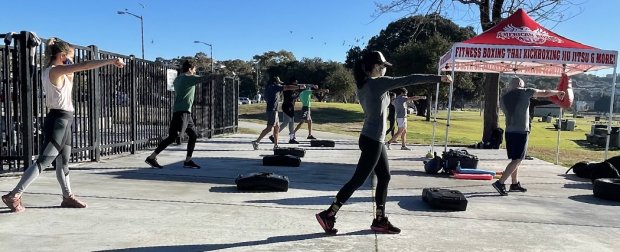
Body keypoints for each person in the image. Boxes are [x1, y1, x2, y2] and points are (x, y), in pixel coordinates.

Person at [315, 51, 451, 234]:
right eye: (383, 66)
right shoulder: (377, 83)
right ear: (375, 67)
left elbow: (382, 101)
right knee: (358, 180)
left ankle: (380, 220)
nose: (385, 69)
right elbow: (410, 79)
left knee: (384, 176)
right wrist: (439, 78)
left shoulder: (364, 85)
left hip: (371, 138)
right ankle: (329, 214)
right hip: (373, 140)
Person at [2, 37, 125, 213]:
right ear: (61, 56)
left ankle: (67, 197)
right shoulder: (55, 71)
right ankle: (14, 195)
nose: (72, 61)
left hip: (65, 119)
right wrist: (111, 60)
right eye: (70, 57)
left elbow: (73, 70)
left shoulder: (58, 70)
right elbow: (84, 66)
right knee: (44, 160)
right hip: (58, 120)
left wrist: (51, 46)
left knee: (63, 161)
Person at [492, 77, 565, 196]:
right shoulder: (525, 92)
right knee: (518, 159)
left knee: (515, 158)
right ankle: (500, 182)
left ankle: (514, 183)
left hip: (509, 131)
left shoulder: (503, 97)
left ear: (510, 85)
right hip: (521, 131)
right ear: (520, 84)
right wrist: (557, 92)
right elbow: (544, 93)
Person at [144, 60, 215, 169]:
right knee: (173, 137)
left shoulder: (178, 79)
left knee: (193, 135)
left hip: (183, 112)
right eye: (195, 69)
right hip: (182, 112)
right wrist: (218, 75)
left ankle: (188, 160)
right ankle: (152, 157)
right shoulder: (188, 78)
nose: (195, 71)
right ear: (190, 69)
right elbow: (204, 78)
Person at [252, 77, 305, 150]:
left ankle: (276, 145)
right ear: (275, 82)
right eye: (278, 82)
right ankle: (256, 142)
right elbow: (287, 87)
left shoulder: (269, 87)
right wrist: (298, 87)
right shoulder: (274, 87)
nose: (279, 84)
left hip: (274, 110)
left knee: (277, 127)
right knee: (269, 128)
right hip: (272, 110)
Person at [270, 77, 301, 144]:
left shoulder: (293, 89)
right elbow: (287, 87)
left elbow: (293, 97)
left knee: (291, 123)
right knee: (286, 122)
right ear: (292, 82)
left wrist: (298, 94)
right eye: (295, 82)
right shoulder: (288, 87)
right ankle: (273, 135)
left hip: (291, 106)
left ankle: (292, 138)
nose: (296, 83)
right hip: (286, 106)